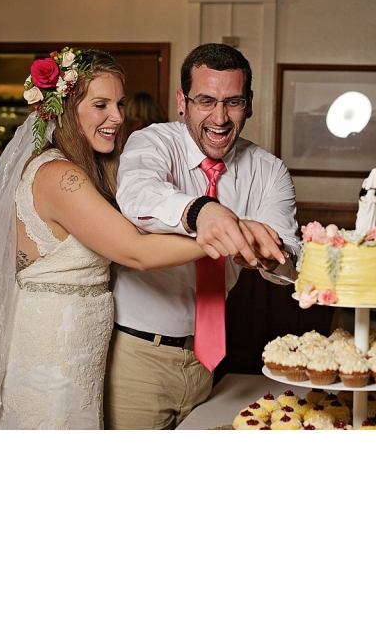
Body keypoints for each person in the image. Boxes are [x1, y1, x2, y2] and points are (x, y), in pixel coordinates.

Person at [0, 47, 284, 431]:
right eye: (101, 105)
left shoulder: (92, 169)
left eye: (119, 104)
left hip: (84, 349)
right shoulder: (59, 175)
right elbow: (137, 251)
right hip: (52, 352)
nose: (117, 116)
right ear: (65, 109)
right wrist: (234, 232)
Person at [105, 42, 301, 430]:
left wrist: (269, 256)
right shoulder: (153, 142)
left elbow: (291, 258)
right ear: (183, 103)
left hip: (206, 360)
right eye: (206, 101)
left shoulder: (269, 171)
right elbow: (138, 195)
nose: (220, 117)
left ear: (249, 104)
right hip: (136, 356)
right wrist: (202, 212)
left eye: (233, 102)